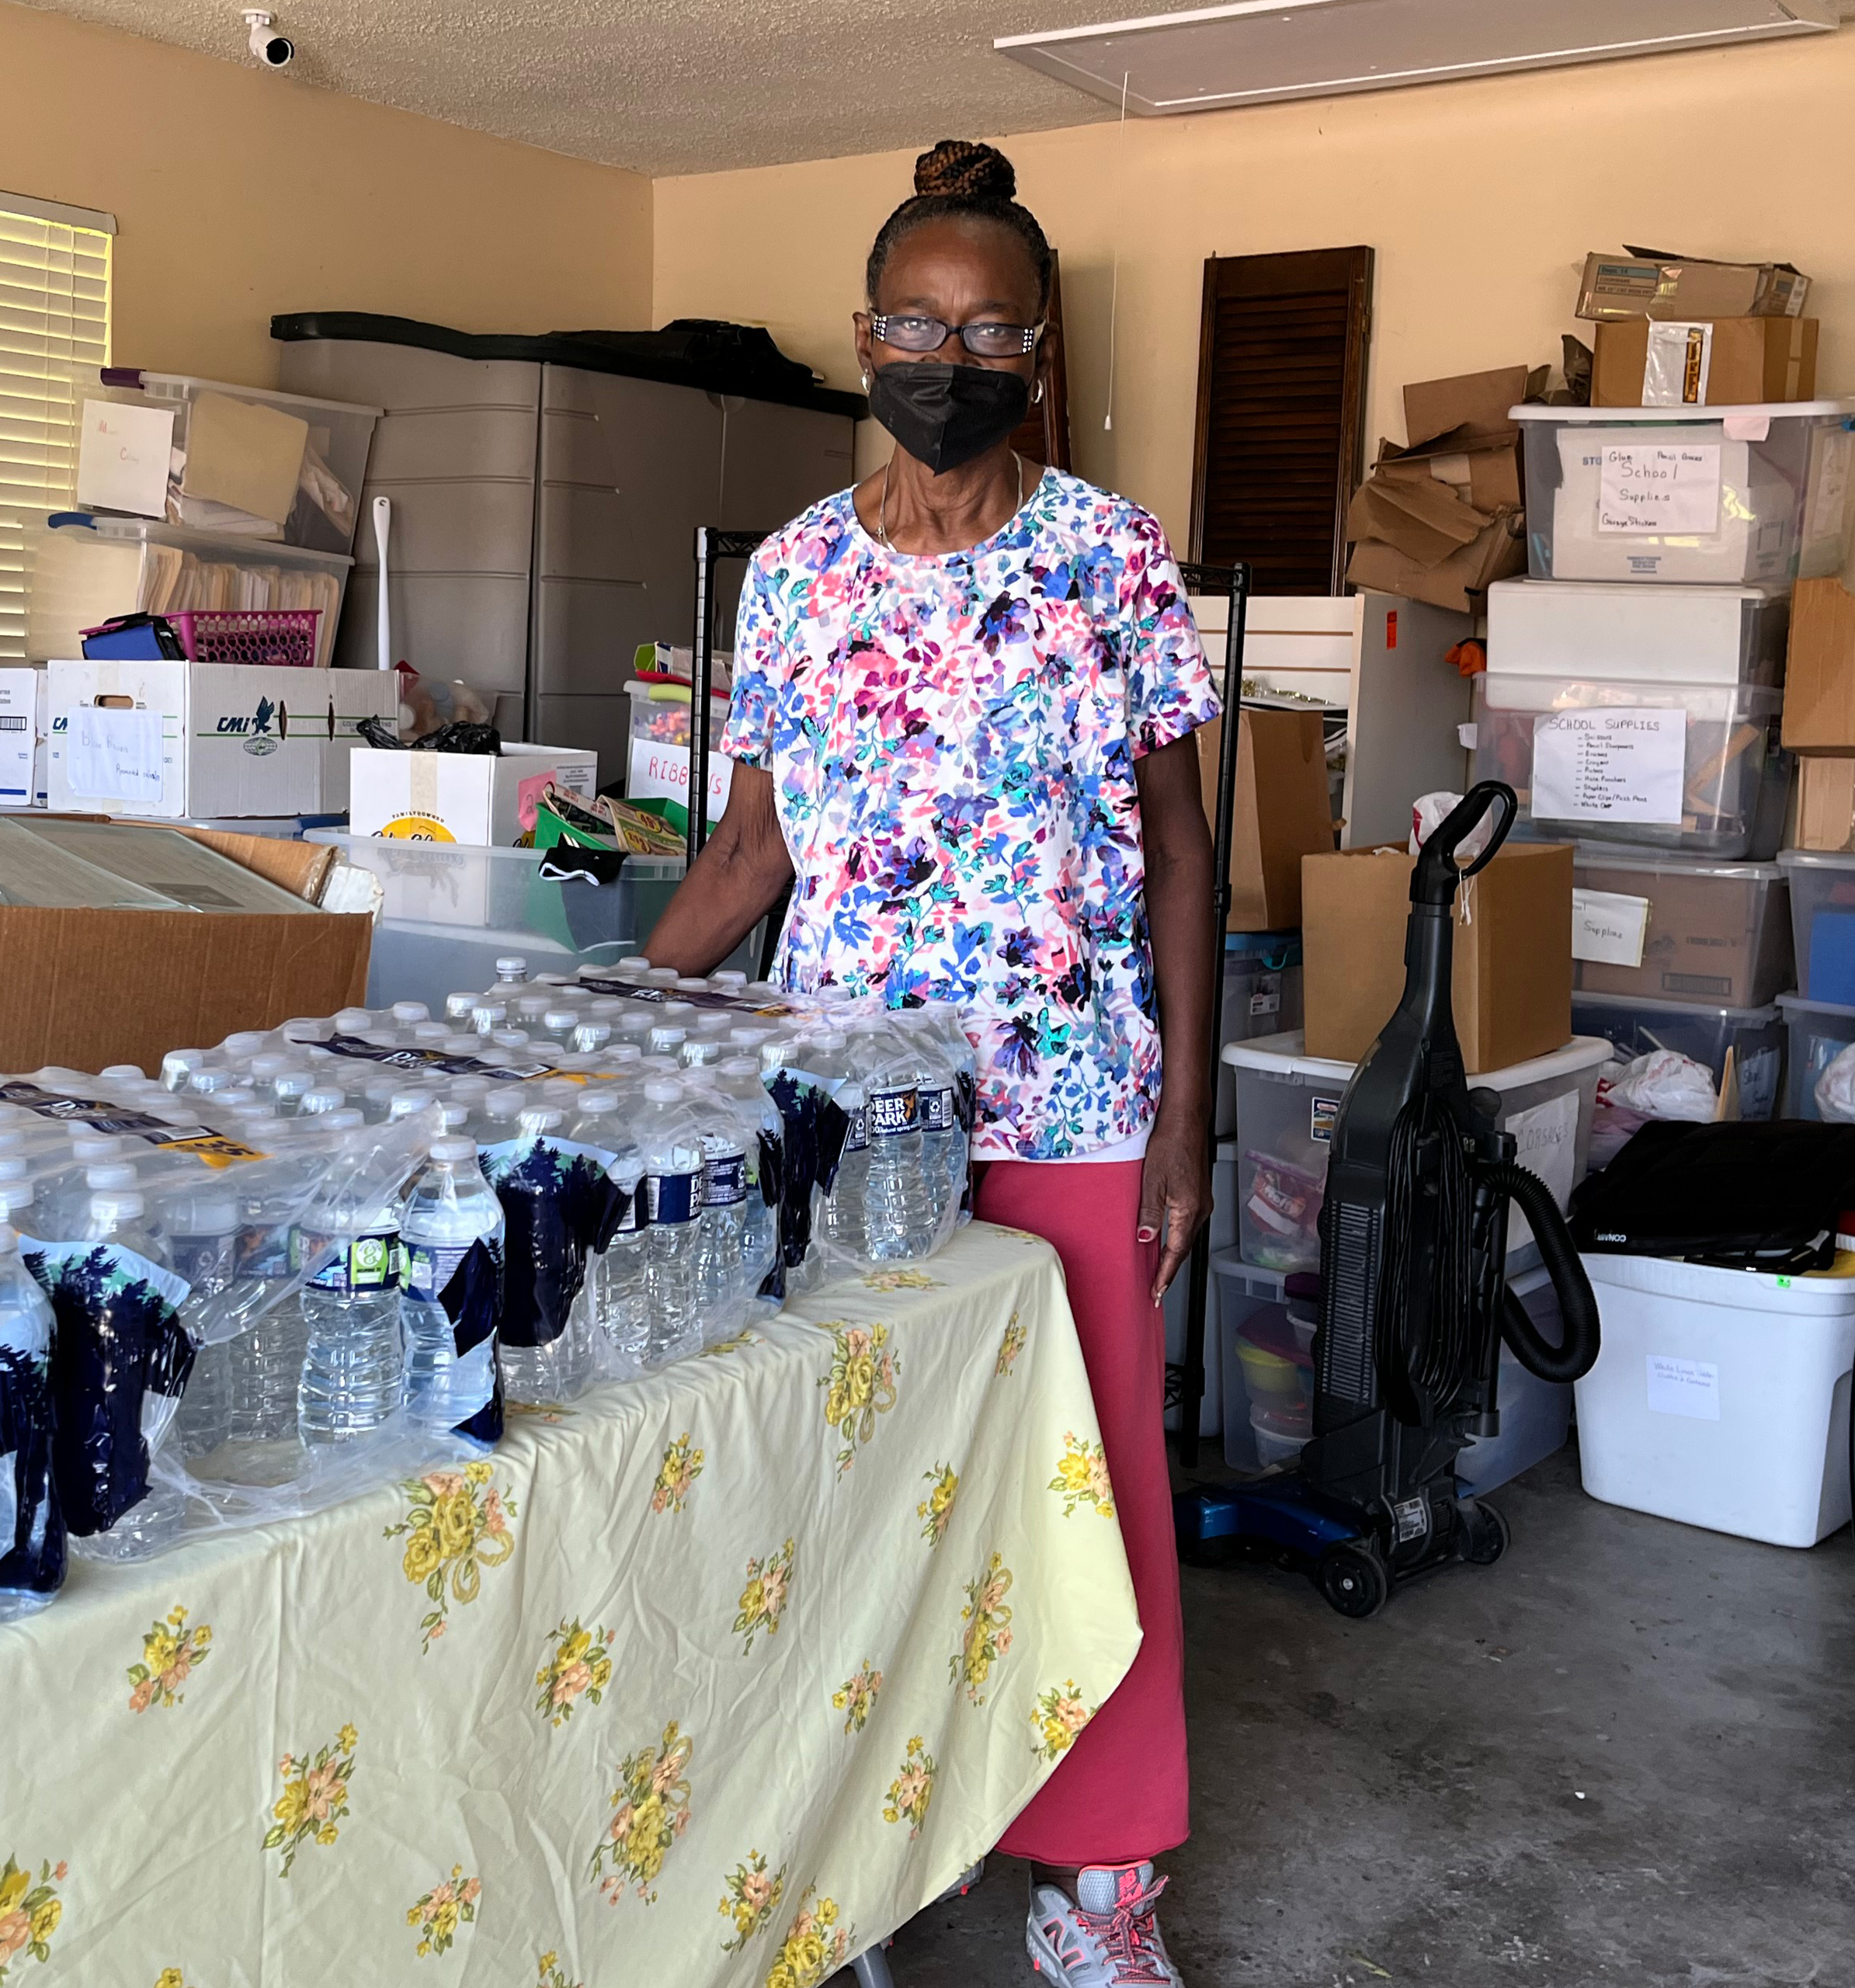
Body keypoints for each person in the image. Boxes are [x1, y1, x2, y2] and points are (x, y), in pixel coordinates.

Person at [641, 137, 1217, 1988]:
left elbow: (1188, 852)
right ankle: (874, 1847)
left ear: (1035, 353)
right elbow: (753, 856)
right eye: (914, 320)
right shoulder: (797, 577)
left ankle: (1101, 1884)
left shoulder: (1114, 555)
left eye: (987, 329)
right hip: (845, 1114)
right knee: (865, 1487)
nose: (945, 355)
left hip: (1070, 1105)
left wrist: (1189, 1117)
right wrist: (609, 1024)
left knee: (1093, 1492)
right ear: (863, 330)